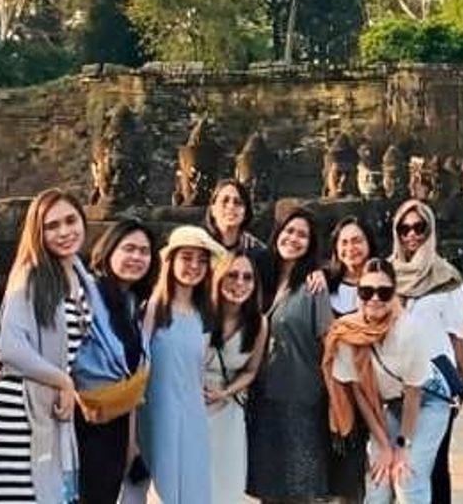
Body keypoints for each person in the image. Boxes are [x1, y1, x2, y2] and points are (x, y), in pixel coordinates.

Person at [0, 189, 94, 503]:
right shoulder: (32, 275)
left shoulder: (82, 276)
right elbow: (12, 346)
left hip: (49, 409)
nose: (64, 232)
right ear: (38, 233)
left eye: (70, 220)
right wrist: (63, 381)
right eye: (52, 226)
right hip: (15, 411)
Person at [322, 259, 453, 504]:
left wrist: (402, 446)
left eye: (383, 292)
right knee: (378, 479)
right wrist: (383, 446)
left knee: (407, 478)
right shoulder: (348, 333)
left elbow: (414, 394)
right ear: (358, 293)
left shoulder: (408, 330)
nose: (374, 298)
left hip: (428, 400)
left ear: (394, 294)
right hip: (390, 406)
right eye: (366, 291)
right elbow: (360, 394)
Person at [246, 209, 334, 504]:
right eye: (289, 231)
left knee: (301, 488)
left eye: (302, 235)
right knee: (268, 488)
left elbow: (328, 344)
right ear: (277, 233)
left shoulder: (313, 286)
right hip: (261, 396)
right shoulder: (260, 277)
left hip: (301, 399)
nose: (294, 239)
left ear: (311, 244)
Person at [389, 199, 463, 504]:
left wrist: (460, 382)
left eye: (419, 227)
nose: (412, 235)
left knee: (433, 466)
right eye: (404, 228)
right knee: (398, 464)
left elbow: (456, 336)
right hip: (395, 384)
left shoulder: (446, 278)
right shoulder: (386, 275)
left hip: (436, 383)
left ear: (430, 230)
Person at [143, 225, 226, 504]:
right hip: (157, 413)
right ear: (171, 261)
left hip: (193, 413)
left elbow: (197, 366)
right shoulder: (153, 308)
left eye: (202, 260)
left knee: (194, 489)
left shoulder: (205, 313)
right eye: (187, 257)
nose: (194, 266)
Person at [76, 220, 156, 504]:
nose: (137, 257)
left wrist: (131, 444)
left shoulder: (133, 302)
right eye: (129, 249)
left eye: (144, 251)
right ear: (109, 251)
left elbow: (131, 376)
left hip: (116, 422)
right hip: (83, 419)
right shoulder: (85, 294)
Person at [204, 251, 267, 503]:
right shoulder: (200, 314)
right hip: (191, 404)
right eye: (232, 275)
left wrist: (225, 392)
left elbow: (251, 370)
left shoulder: (258, 324)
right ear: (218, 277)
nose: (239, 283)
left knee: (226, 485)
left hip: (228, 408)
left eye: (247, 277)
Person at [325, 216, 378, 503]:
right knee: (346, 480)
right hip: (338, 396)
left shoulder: (383, 284)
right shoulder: (324, 286)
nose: (350, 248)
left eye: (357, 240)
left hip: (377, 391)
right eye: (343, 242)